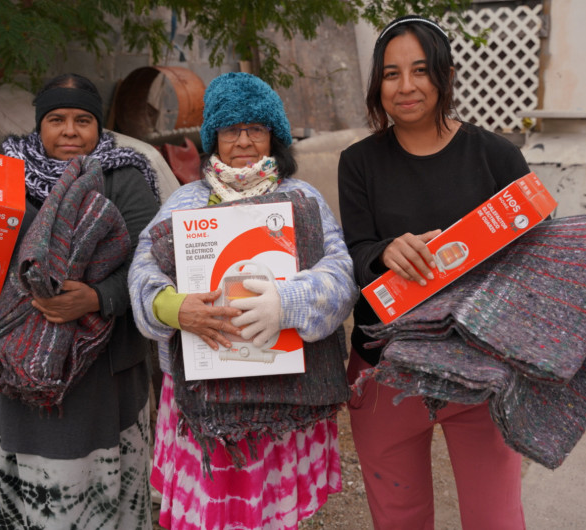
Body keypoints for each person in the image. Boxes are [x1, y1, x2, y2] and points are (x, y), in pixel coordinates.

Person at [0, 73, 160, 529]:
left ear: (99, 127)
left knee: (97, 501)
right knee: (25, 500)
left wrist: (96, 297)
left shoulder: (123, 176)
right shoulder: (8, 171)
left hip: (98, 378)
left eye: (82, 120)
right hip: (15, 375)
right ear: (39, 125)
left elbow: (153, 259)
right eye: (56, 119)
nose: (70, 131)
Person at [128, 72, 357, 529]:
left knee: (272, 514)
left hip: (284, 391)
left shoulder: (302, 199)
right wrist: (173, 308)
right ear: (214, 138)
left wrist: (286, 302)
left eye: (256, 128)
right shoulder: (185, 203)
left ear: (275, 136)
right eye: (232, 130)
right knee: (210, 512)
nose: (245, 140)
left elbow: (341, 276)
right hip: (205, 396)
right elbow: (141, 273)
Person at [337, 15, 529, 530]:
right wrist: (384, 253)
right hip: (383, 368)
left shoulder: (497, 156)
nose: (406, 86)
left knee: (496, 519)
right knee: (398, 519)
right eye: (391, 73)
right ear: (378, 83)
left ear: (444, 74)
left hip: (479, 370)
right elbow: (352, 253)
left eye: (420, 70)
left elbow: (534, 256)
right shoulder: (358, 163)